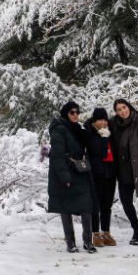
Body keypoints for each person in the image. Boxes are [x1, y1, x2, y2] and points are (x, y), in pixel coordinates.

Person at [48, 101, 98, 254]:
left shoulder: (77, 129)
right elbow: (56, 156)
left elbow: (89, 140)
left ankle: (88, 242)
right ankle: (70, 243)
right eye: (72, 112)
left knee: (86, 206)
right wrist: (64, 177)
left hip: (79, 171)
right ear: (66, 114)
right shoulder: (59, 130)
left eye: (77, 112)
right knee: (66, 207)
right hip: (66, 172)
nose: (76, 115)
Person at [109, 98, 138, 245]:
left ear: (129, 107)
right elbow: (96, 124)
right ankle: (136, 228)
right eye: (119, 109)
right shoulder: (113, 124)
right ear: (116, 112)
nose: (122, 111)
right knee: (125, 201)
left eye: (124, 107)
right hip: (123, 170)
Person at [87, 107, 117, 247]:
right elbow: (100, 152)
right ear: (94, 120)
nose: (103, 122)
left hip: (110, 174)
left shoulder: (110, 132)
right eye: (100, 120)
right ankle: (95, 234)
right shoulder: (90, 133)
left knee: (107, 206)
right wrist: (104, 138)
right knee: (96, 206)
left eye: (105, 119)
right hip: (96, 174)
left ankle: (106, 232)